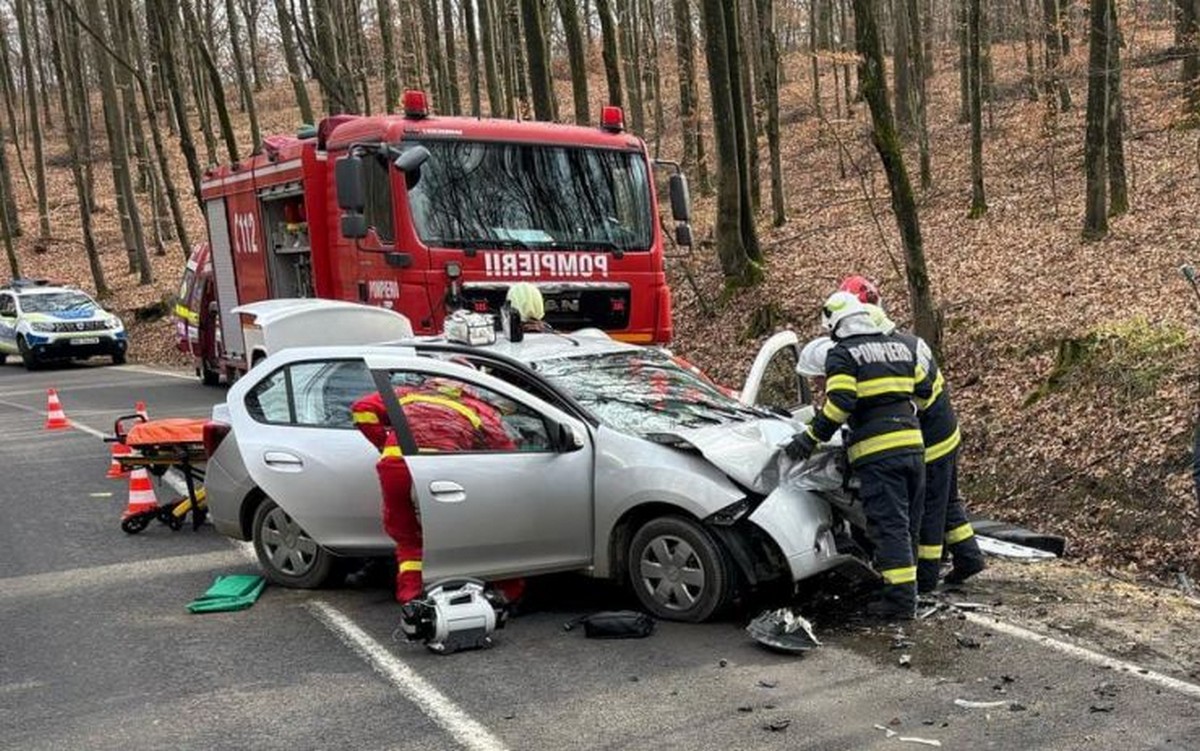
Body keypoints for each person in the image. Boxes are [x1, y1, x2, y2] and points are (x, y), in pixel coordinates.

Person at [784, 292, 933, 620]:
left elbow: (839, 404)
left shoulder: (842, 355)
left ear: (835, 324)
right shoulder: (899, 346)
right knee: (909, 523)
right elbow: (924, 392)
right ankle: (909, 590)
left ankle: (899, 603)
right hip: (914, 447)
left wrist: (808, 439)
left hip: (879, 453)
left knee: (888, 525)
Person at [840, 281, 986, 590]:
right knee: (946, 499)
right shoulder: (902, 341)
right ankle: (968, 556)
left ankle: (926, 577)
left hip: (928, 439)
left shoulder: (879, 347)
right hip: (945, 429)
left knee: (930, 509)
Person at [351, 378, 520, 604]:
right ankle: (504, 593)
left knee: (409, 538)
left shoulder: (407, 393)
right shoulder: (476, 407)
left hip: (396, 467)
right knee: (468, 532)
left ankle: (411, 596)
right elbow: (506, 449)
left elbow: (362, 410)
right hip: (440, 469)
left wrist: (383, 442)